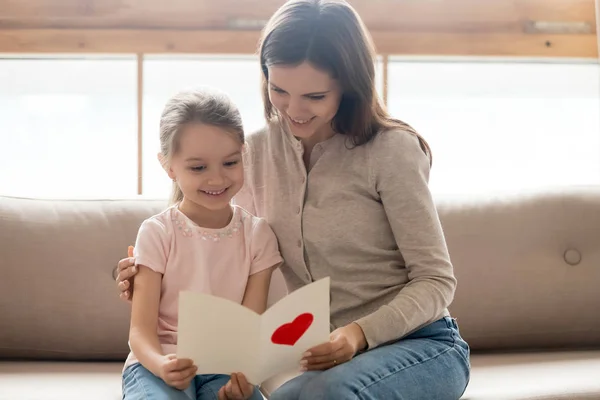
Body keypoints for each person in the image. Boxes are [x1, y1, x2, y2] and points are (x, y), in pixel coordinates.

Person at [116, 0, 471, 398]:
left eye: (315, 96)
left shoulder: (391, 151)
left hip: (420, 344)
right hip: (323, 358)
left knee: (326, 395)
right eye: (279, 90)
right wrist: (151, 275)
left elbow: (436, 281)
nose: (293, 111)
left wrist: (357, 335)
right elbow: (212, 239)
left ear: (349, 85)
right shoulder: (251, 154)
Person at [120, 87, 283, 400]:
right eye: (198, 167)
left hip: (224, 366)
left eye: (230, 163)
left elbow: (248, 330)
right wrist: (160, 365)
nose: (217, 179)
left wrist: (243, 382)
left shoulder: (258, 236)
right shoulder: (157, 233)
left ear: (243, 155)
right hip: (156, 364)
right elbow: (140, 332)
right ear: (168, 166)